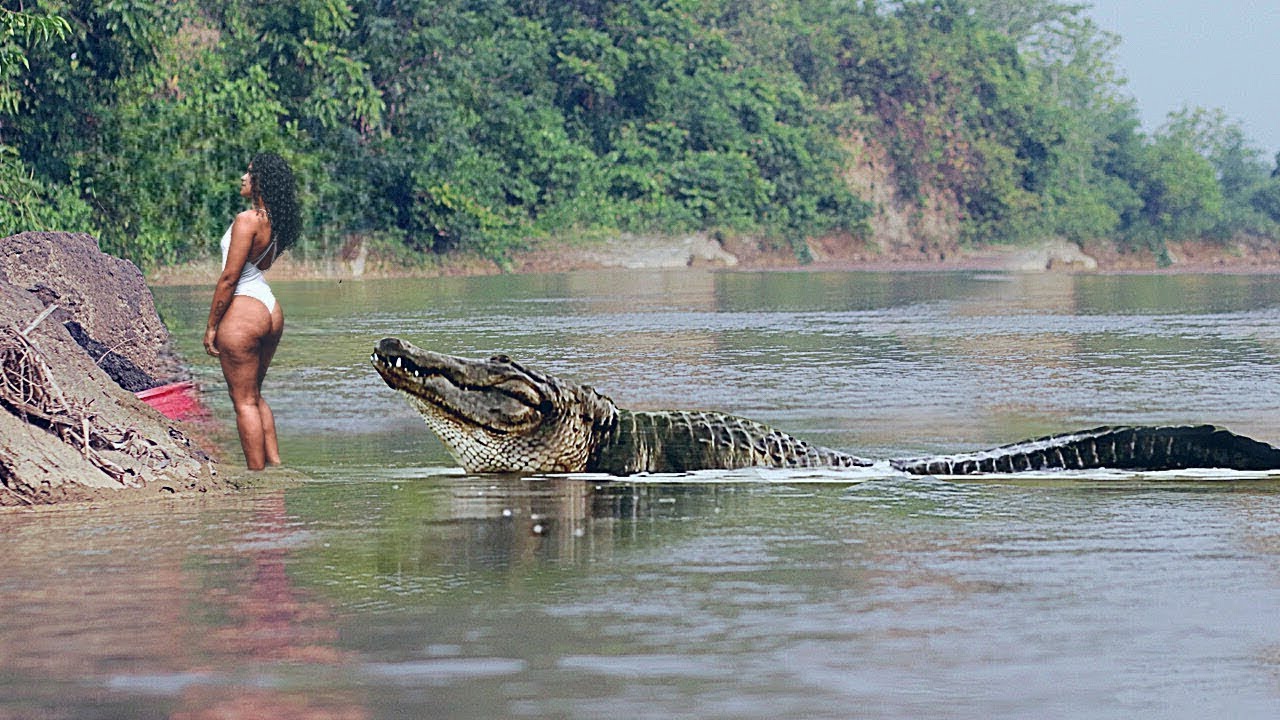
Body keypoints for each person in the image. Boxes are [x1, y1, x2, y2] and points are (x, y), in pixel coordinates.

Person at [204, 152, 301, 470]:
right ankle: (275, 467)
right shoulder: (276, 221)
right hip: (270, 308)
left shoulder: (248, 220)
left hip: (245, 310)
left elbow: (230, 278)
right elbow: (259, 266)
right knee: (255, 395)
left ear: (261, 181)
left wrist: (211, 326)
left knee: (243, 401)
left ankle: (258, 479)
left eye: (248, 174)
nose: (243, 178)